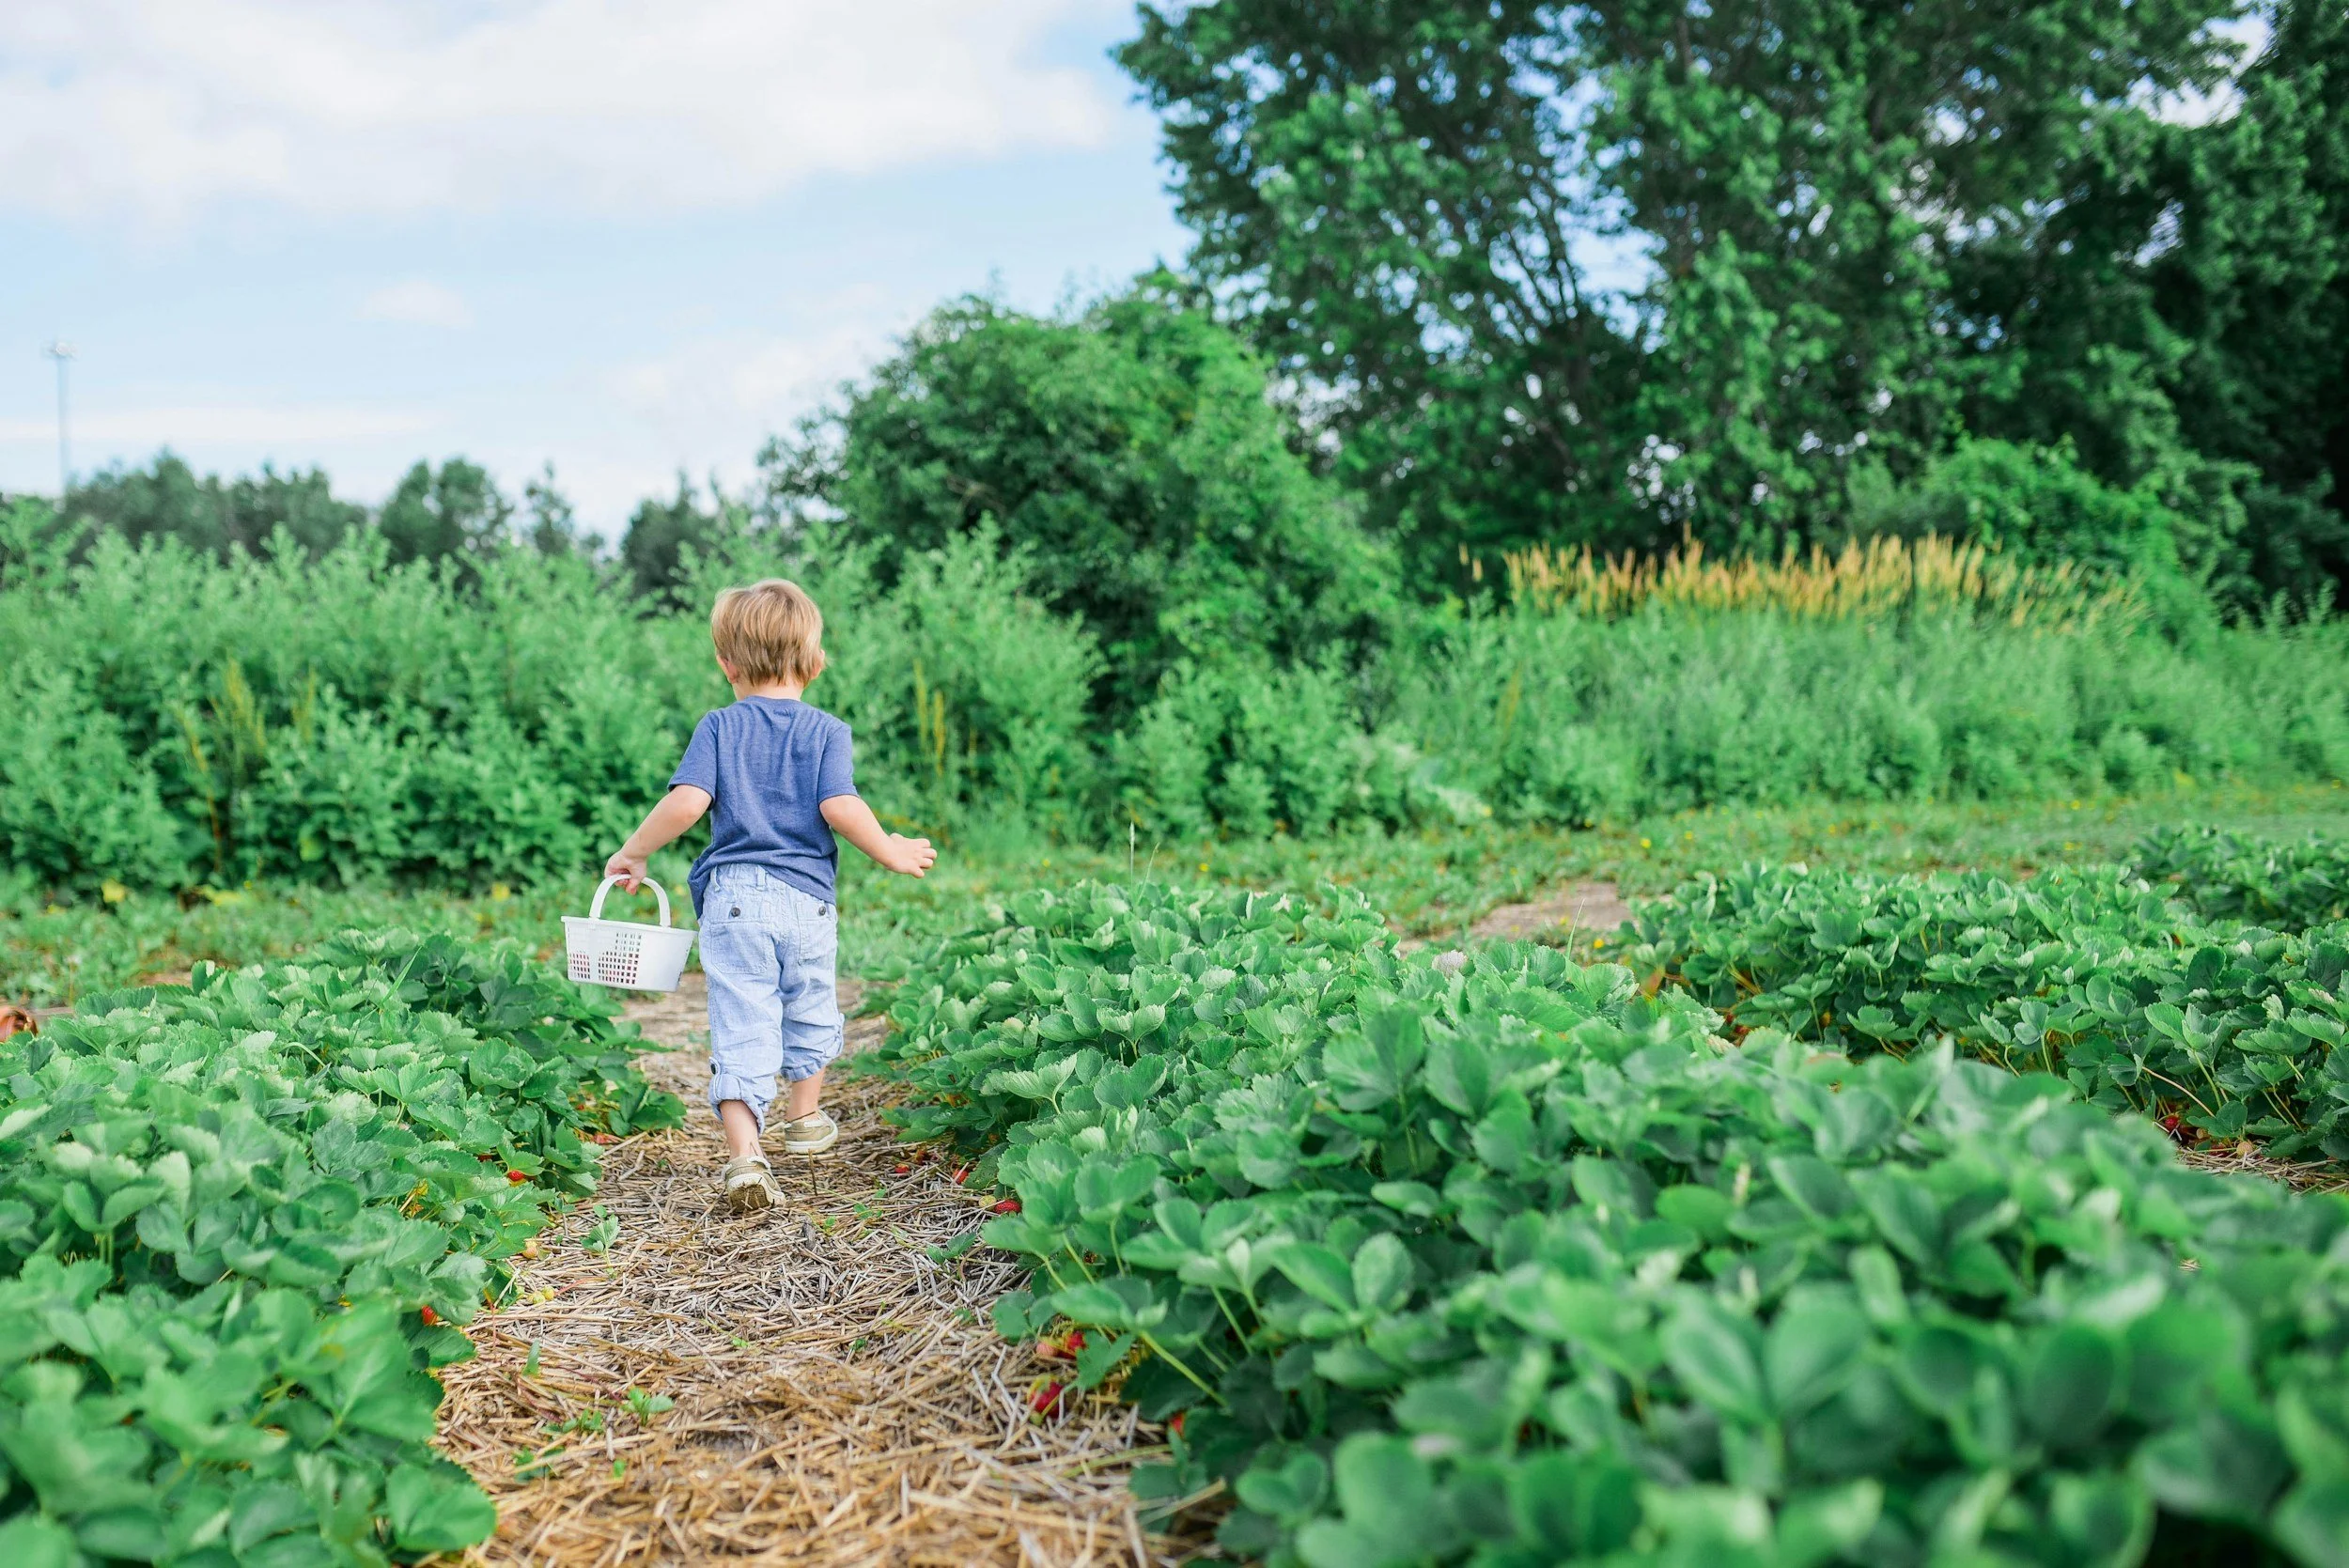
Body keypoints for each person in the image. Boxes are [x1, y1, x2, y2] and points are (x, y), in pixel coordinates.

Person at [603, 579, 936, 1213]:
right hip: (807, 900)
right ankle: (805, 1115)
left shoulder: (720, 726)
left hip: (734, 901)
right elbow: (839, 805)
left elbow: (688, 801)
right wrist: (889, 848)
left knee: (742, 1020)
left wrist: (636, 848)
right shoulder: (827, 731)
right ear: (814, 661)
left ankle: (745, 1155)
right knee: (811, 1001)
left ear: (727, 663)